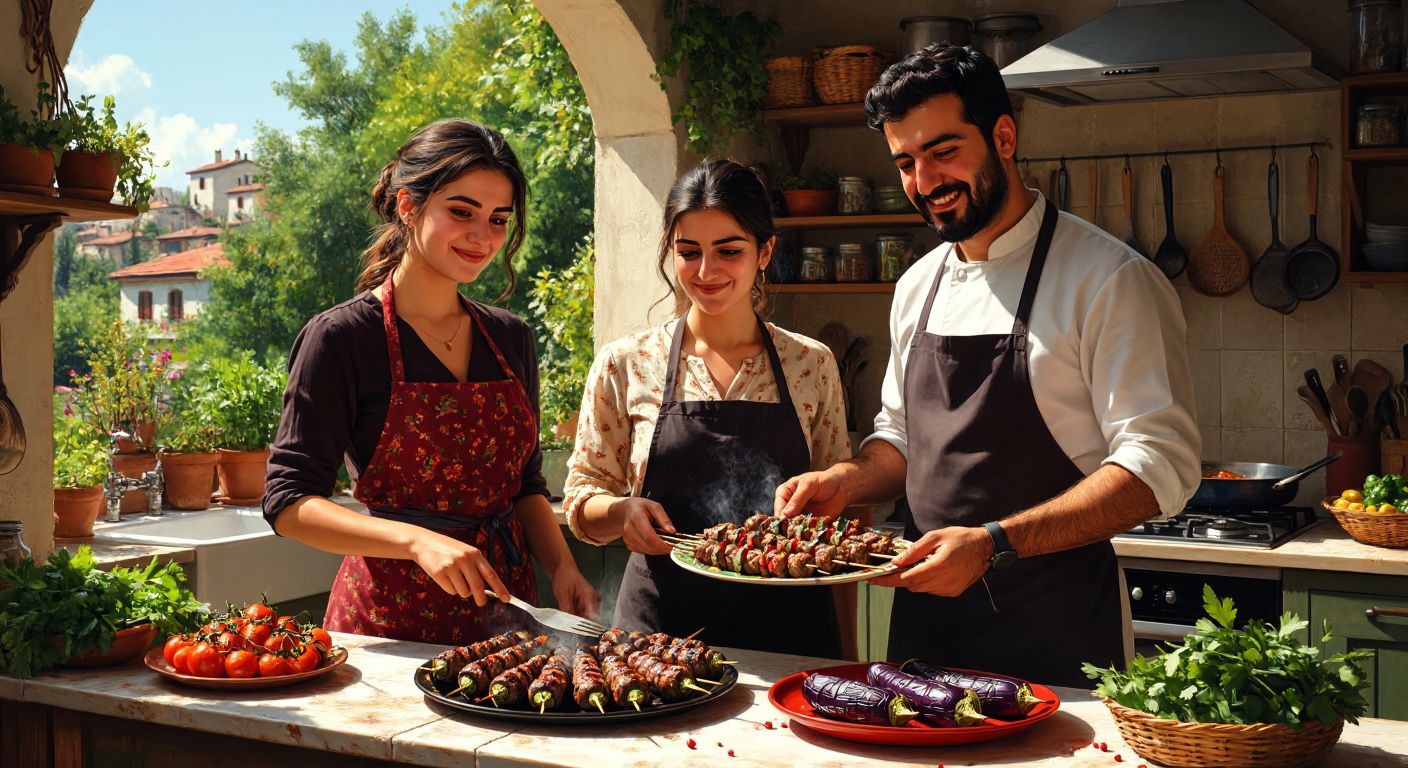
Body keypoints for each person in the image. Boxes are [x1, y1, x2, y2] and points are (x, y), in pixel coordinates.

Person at [774, 45, 1201, 687]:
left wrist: (996, 543)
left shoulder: (1109, 279)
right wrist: (849, 481)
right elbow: (902, 439)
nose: (926, 181)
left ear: (1004, 136)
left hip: (1056, 644)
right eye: (906, 163)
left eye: (945, 152)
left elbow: (1159, 465)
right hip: (921, 646)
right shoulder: (917, 285)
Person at [263, 119, 599, 645]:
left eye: (497, 219)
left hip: (510, 622)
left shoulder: (510, 339)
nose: (482, 237)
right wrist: (418, 542)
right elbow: (289, 503)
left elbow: (525, 483)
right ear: (408, 206)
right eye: (461, 212)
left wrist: (561, 568)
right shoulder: (342, 338)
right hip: (389, 628)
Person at [564, 159, 850, 658]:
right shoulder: (627, 363)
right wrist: (621, 511)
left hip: (794, 637)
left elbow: (839, 513)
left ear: (765, 252)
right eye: (688, 251)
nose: (706, 271)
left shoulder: (811, 364)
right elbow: (582, 500)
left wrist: (847, 653)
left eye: (729, 251)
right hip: (659, 642)